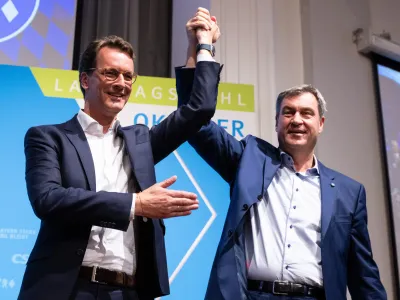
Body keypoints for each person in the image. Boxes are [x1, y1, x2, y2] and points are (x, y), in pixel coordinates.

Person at [178, 10, 386, 300]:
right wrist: (200, 48)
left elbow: (363, 275)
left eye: (306, 113)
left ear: (321, 124)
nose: (297, 120)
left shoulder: (349, 193)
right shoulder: (249, 160)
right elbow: (194, 121)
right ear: (276, 122)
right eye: (288, 112)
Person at [18, 11, 221, 300]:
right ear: (86, 80)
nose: (121, 83)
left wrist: (200, 47)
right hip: (68, 289)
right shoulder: (49, 137)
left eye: (128, 76)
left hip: (127, 292)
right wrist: (135, 204)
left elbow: (196, 111)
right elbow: (49, 200)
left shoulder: (141, 143)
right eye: (111, 73)